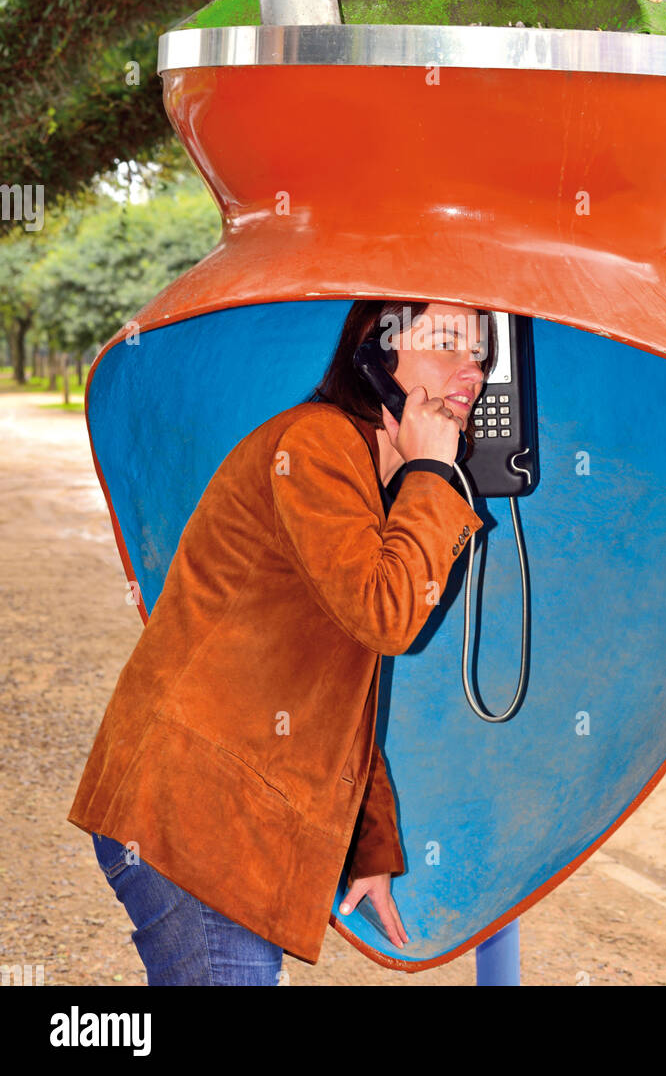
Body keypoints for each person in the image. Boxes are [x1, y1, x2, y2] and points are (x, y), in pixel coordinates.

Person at [68, 299, 496, 984]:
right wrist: (432, 476)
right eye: (446, 343)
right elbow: (388, 617)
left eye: (479, 352)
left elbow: (340, 685)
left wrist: (368, 843)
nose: (470, 370)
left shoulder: (367, 477)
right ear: (374, 357)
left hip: (215, 814)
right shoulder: (317, 447)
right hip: (193, 814)